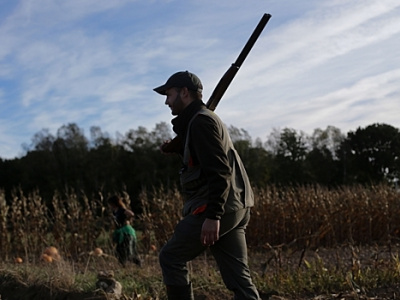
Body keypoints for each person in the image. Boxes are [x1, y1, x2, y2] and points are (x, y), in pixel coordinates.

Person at [154, 71, 260, 299]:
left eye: (169, 94)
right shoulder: (199, 121)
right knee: (239, 279)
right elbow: (202, 160)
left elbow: (220, 171)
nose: (166, 101)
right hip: (237, 206)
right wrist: (175, 148)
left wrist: (213, 216)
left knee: (171, 257)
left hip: (216, 208)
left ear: (184, 92)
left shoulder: (201, 122)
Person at [107, 195, 141, 267]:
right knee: (118, 251)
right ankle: (123, 266)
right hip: (120, 232)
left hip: (126, 232)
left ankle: (137, 263)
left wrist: (127, 220)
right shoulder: (114, 212)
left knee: (127, 251)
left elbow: (131, 214)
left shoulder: (121, 210)